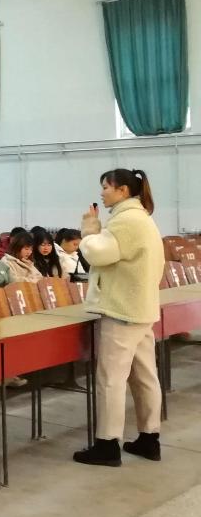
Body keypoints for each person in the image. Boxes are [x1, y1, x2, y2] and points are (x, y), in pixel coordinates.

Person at [73, 169, 164, 467]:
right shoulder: (143, 218)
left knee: (111, 379)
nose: (102, 193)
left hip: (122, 311)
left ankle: (107, 444)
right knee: (145, 377)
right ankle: (149, 439)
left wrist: (89, 231)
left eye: (106, 187)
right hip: (141, 309)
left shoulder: (126, 220)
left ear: (122, 190)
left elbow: (98, 254)